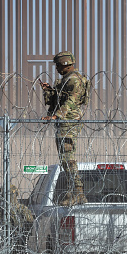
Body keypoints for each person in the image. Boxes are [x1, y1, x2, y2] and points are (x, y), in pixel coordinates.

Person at [40, 51, 91, 206]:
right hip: (64, 121)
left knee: (68, 158)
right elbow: (56, 100)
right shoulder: (65, 80)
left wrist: (57, 115)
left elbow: (71, 101)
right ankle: (72, 191)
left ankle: (78, 193)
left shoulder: (75, 80)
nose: (56, 68)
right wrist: (48, 90)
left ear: (64, 64)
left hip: (69, 121)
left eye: (57, 65)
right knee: (65, 158)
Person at [0, 184, 34, 254]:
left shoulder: (23, 211)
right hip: (4, 249)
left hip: (20, 249)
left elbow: (30, 229)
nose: (2, 198)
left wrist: (17, 233)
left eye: (5, 195)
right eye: (1, 195)